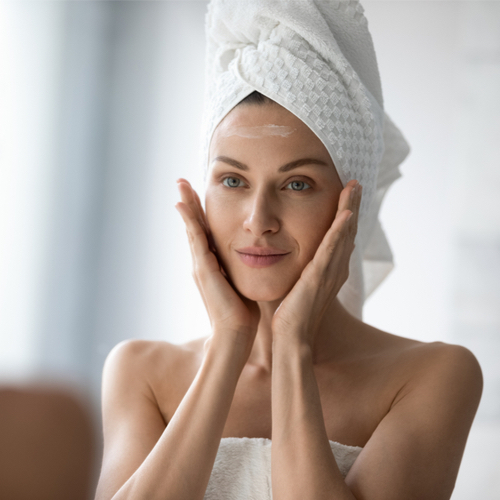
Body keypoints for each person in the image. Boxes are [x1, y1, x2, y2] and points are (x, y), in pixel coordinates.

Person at [95, 2, 483, 499]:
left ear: (351, 205)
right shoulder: (139, 371)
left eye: (297, 184)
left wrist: (293, 344)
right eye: (232, 180)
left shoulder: (431, 377)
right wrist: (230, 342)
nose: (258, 220)